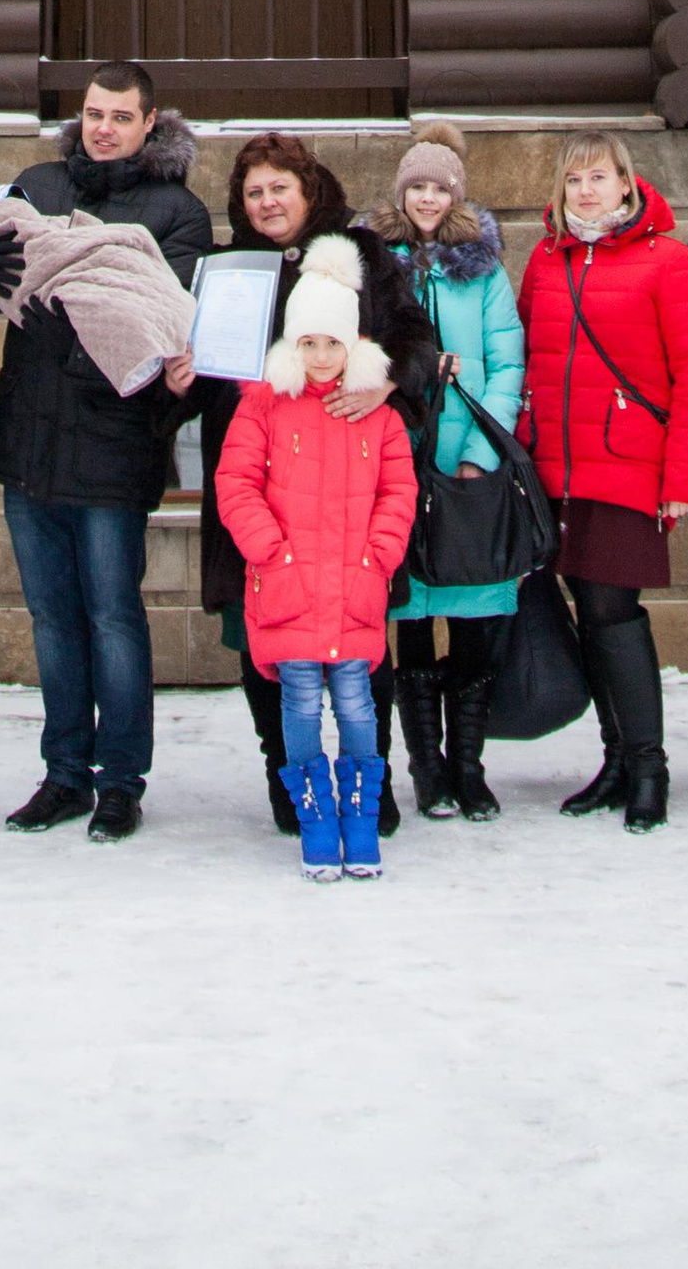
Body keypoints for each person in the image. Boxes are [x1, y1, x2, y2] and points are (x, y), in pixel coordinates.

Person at [0, 58, 208, 842]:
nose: (102, 128)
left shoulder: (177, 212)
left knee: (113, 614)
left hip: (113, 445)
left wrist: (69, 337)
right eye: (92, 113)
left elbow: (160, 323)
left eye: (120, 116)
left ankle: (120, 780)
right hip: (28, 440)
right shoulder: (37, 185)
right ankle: (64, 773)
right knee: (52, 615)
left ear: (151, 123)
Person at [194, 129, 439, 836]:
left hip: (346, 494)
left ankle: (373, 776)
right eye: (254, 192)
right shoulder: (228, 268)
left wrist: (387, 383)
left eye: (281, 188)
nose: (269, 202)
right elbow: (198, 378)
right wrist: (180, 377)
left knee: (363, 641)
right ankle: (287, 776)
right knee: (260, 639)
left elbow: (414, 341)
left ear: (309, 192)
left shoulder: (359, 256)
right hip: (258, 494)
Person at [514, 128, 688, 834]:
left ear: (628, 185)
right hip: (556, 469)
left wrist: (683, 477)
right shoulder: (546, 260)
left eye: (599, 178)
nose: (587, 191)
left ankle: (649, 767)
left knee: (613, 613)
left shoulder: (669, 261)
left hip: (628, 466)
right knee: (588, 616)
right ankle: (615, 759)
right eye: (574, 180)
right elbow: (528, 352)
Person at [212, 239, 420, 882]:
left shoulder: (374, 414)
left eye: (333, 343)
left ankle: (360, 818)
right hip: (288, 590)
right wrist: (269, 551)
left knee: (358, 710)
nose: (322, 356)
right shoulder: (266, 404)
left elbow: (398, 490)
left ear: (353, 343)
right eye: (309, 343)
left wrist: (380, 557)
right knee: (299, 710)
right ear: (292, 346)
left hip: (354, 592)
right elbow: (235, 481)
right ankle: (315, 819)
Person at [371, 123, 524, 823]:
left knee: (473, 620)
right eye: (417, 187)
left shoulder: (480, 267)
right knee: (410, 620)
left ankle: (469, 766)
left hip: (466, 468)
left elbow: (507, 363)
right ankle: (426, 769)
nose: (427, 198)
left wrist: (479, 453)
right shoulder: (380, 261)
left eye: (439, 187)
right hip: (401, 463)